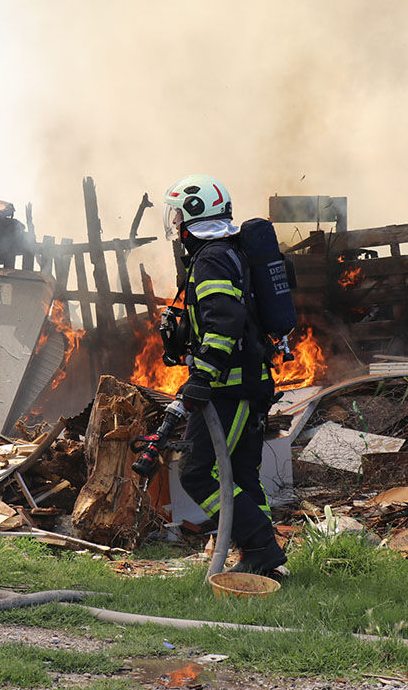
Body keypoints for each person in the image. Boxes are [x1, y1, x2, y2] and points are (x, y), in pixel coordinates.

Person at [161, 173, 287, 577]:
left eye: (176, 215)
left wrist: (204, 376)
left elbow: (224, 318)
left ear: (192, 215)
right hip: (248, 383)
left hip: (228, 388)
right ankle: (263, 561)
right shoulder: (227, 252)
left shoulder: (212, 257)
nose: (174, 224)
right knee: (244, 473)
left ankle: (260, 546)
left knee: (197, 472)